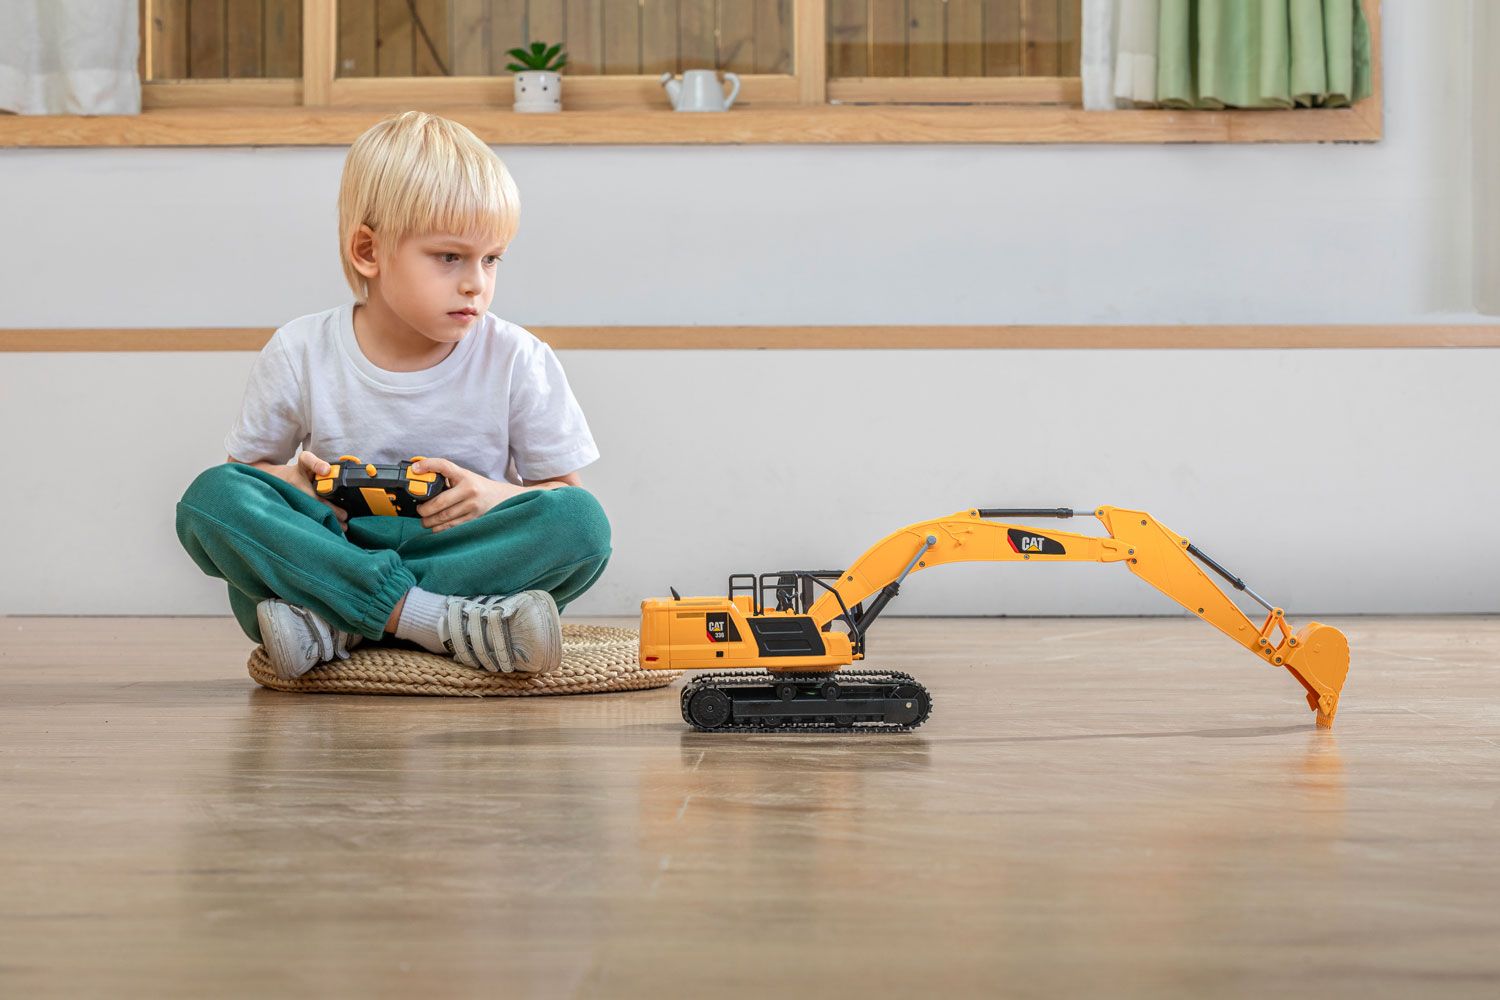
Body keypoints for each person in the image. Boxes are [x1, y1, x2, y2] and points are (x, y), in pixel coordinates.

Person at [175, 111, 610, 680]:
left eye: (492, 258)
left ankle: (345, 620)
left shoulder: (518, 357)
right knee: (212, 498)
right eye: (449, 257)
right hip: (337, 547)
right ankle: (436, 621)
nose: (476, 281)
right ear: (368, 251)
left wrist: (491, 495)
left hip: (457, 552)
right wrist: (295, 483)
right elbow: (245, 475)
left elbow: (560, 495)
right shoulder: (301, 348)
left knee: (582, 523)